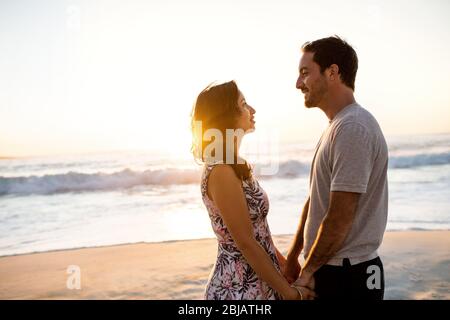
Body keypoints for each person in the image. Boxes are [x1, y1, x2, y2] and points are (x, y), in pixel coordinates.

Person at [284, 36, 389, 300]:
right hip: (330, 269)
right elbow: (315, 200)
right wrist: (294, 256)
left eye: (305, 73)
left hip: (349, 277)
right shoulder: (337, 126)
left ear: (332, 72)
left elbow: (340, 216)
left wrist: (307, 273)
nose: (298, 84)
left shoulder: (353, 128)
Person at [191, 80, 315, 300]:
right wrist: (290, 294)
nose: (252, 110)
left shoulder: (234, 165)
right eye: (244, 104)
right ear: (226, 116)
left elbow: (259, 234)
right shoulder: (221, 171)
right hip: (237, 291)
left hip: (260, 282)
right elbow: (246, 243)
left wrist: (284, 266)